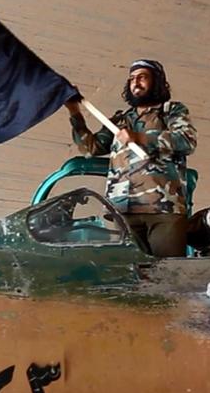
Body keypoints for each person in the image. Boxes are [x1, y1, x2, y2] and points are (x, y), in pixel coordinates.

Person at [65, 59, 197, 256]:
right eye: (132, 79)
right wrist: (75, 112)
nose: (136, 82)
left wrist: (141, 137)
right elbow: (90, 148)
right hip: (122, 210)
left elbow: (186, 140)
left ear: (157, 81)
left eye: (142, 77)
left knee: (167, 273)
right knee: (130, 276)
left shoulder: (170, 111)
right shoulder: (120, 120)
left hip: (162, 209)